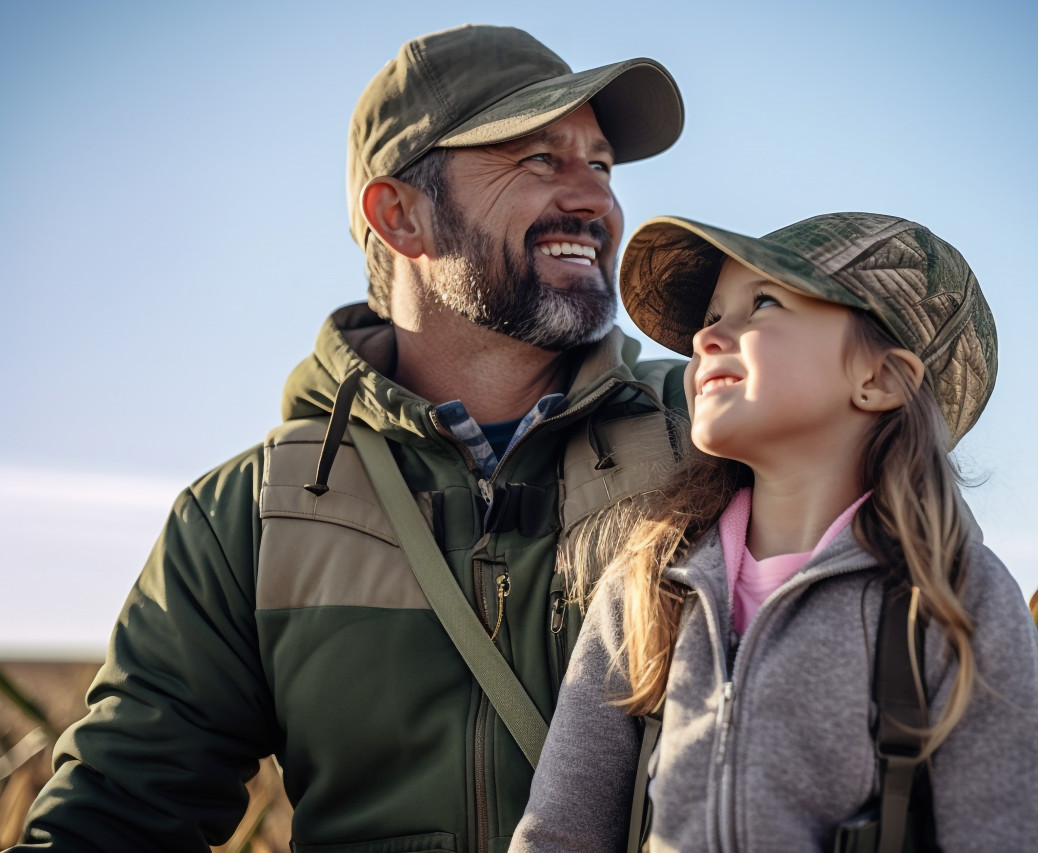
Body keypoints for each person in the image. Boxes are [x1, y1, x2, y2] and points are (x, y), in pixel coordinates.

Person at [15, 25, 687, 852]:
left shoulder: (711, 441)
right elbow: (114, 817)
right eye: (540, 160)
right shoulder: (249, 518)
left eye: (602, 163)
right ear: (399, 214)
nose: (595, 199)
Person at [511, 213, 1038, 852]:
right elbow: (559, 834)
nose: (709, 337)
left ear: (880, 380)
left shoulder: (954, 601)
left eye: (764, 303)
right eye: (712, 315)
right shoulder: (648, 579)